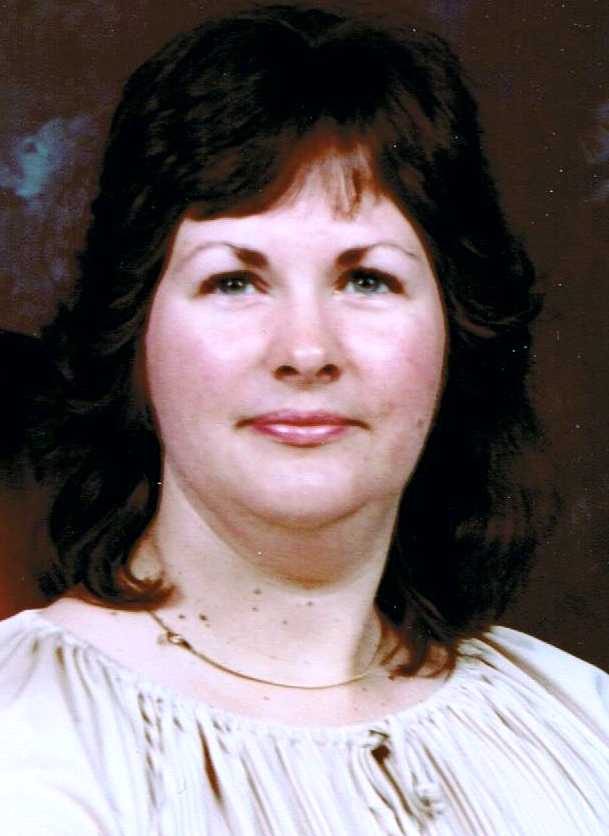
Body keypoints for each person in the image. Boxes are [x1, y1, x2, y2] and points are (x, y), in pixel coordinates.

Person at [0, 5, 607, 834]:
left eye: (366, 280)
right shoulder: (26, 736)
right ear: (135, 333)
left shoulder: (580, 722)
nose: (306, 350)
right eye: (233, 281)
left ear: (455, 330)